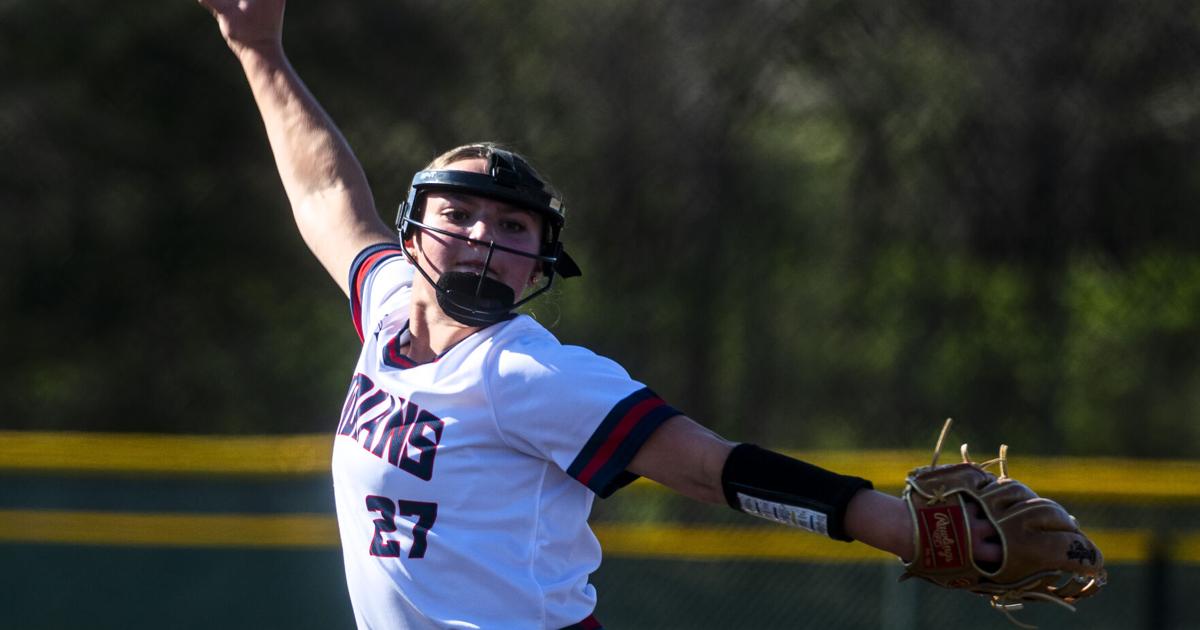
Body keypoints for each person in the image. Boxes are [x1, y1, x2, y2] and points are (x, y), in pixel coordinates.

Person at [198, 1, 1002, 628]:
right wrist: (258, 49)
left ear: (537, 266)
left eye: (514, 227)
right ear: (412, 234)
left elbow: (707, 466)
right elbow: (325, 192)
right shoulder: (385, 309)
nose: (484, 235)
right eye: (462, 212)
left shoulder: (525, 371)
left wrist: (898, 526)